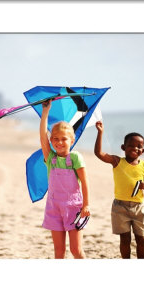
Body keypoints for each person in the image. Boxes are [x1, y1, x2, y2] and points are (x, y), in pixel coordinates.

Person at [94, 121, 144, 259]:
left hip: (139, 207)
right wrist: (100, 132)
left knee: (142, 239)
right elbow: (98, 153)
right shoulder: (117, 161)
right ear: (123, 147)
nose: (135, 148)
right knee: (125, 239)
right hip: (120, 207)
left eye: (139, 146)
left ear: (143, 150)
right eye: (131, 145)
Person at [40, 100, 90, 259]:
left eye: (64, 139)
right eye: (55, 139)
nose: (59, 142)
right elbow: (42, 136)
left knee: (76, 250)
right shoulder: (50, 158)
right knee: (59, 252)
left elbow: (85, 183)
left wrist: (86, 205)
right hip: (54, 208)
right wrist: (45, 112)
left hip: (73, 208)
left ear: (72, 140)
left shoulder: (75, 157)